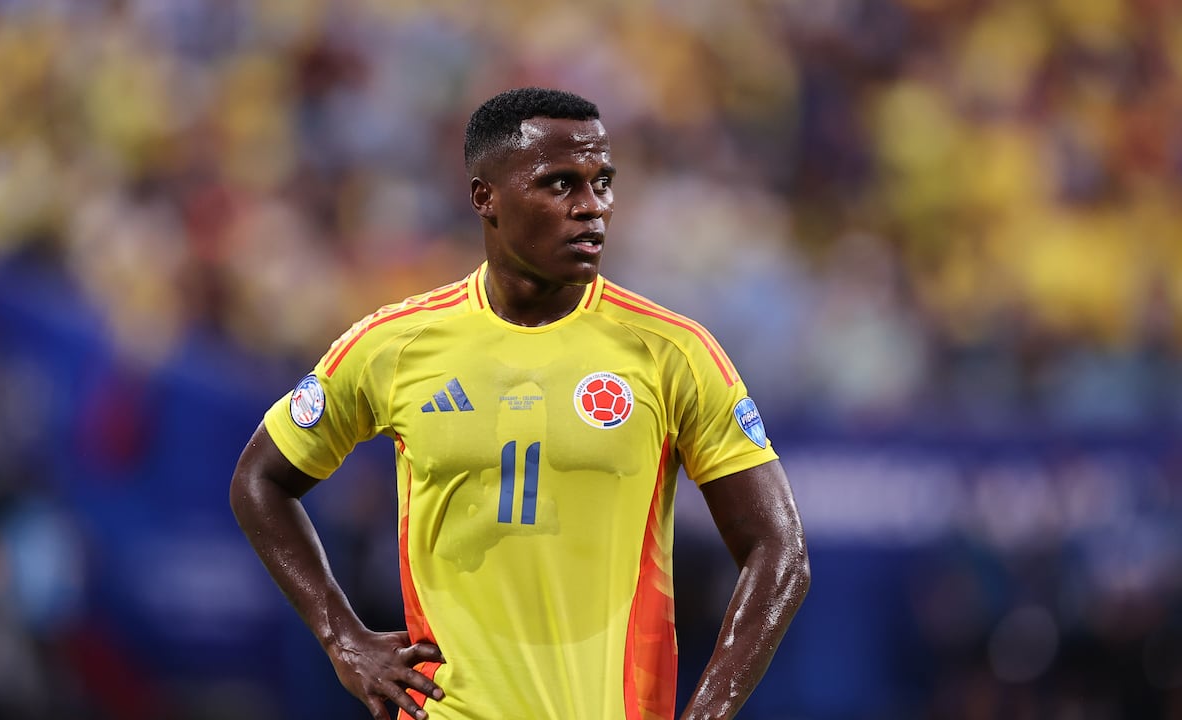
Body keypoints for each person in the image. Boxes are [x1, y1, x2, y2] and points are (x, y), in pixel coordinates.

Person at [230, 87, 810, 720]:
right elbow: (261, 479)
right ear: (486, 197)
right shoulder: (395, 345)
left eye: (602, 182)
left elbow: (780, 550)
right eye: (560, 184)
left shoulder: (672, 353)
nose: (591, 207)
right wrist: (342, 639)